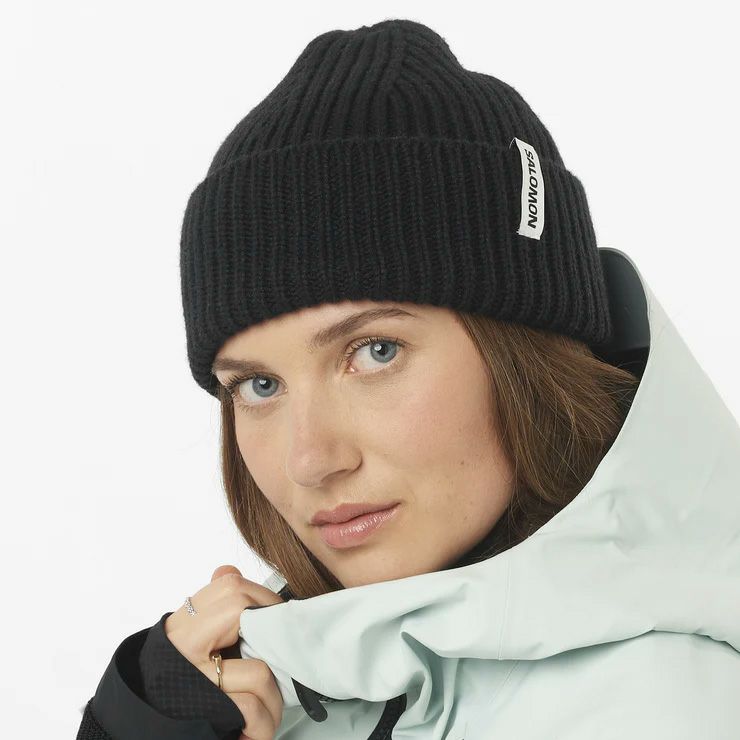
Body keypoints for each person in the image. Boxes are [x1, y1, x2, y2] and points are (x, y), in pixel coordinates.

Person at [76, 18, 740, 740]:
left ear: (525, 358)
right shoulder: (275, 683)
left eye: (375, 352)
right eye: (259, 386)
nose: (311, 460)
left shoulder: (660, 709)